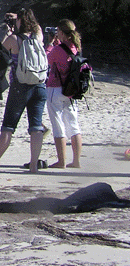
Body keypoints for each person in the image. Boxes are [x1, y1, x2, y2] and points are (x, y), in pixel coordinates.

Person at [0, 8, 48, 174]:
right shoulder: (38, 36)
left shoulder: (13, 39)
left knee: (8, 127)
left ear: (19, 22)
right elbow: (37, 27)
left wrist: (9, 31)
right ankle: (33, 165)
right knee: (36, 126)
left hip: (19, 87)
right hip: (39, 85)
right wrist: (23, 17)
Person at [46, 19, 83, 168]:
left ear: (61, 32)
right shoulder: (76, 47)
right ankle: (76, 161)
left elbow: (47, 60)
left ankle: (61, 161)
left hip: (56, 88)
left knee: (58, 125)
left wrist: (50, 44)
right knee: (74, 125)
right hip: (72, 91)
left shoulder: (57, 49)